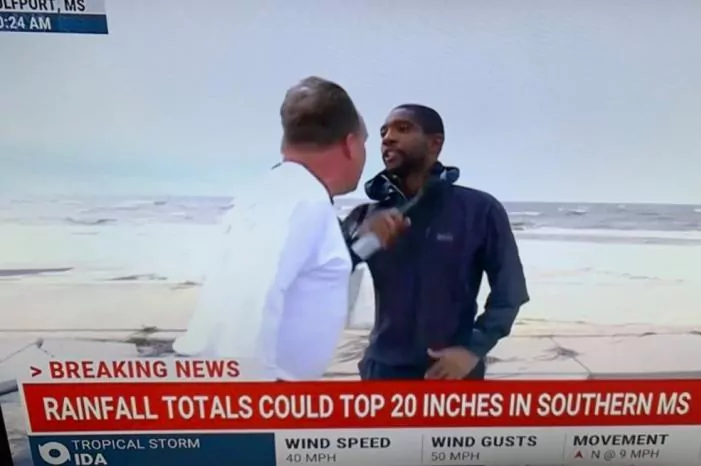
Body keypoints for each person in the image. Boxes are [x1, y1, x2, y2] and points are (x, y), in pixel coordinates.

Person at [172, 77, 407, 380]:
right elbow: (252, 298)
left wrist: (367, 242)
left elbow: (301, 276)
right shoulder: (302, 201)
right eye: (364, 143)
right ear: (350, 145)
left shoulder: (276, 191)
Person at [342, 104, 529, 380]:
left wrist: (473, 349)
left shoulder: (479, 210)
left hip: (453, 373)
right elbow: (326, 274)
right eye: (383, 132)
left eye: (402, 128)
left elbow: (510, 291)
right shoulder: (366, 216)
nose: (388, 138)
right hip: (382, 372)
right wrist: (363, 241)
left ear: (435, 143)